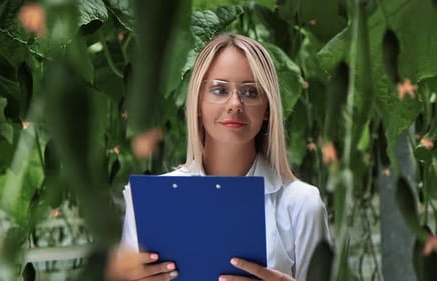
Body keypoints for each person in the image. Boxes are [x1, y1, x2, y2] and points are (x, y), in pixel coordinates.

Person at [116, 33, 330, 281]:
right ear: (197, 103)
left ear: (268, 109)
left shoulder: (302, 204)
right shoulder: (148, 202)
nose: (235, 104)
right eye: (219, 90)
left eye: (250, 92)